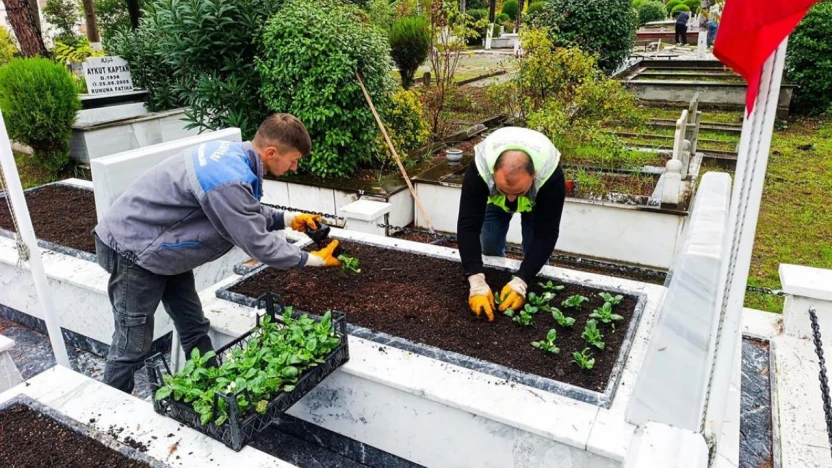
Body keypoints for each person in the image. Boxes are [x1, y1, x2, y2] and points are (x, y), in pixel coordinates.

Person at [93, 114, 342, 394]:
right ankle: (109, 409)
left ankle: (213, 389)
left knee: (193, 325)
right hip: (133, 250)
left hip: (161, 249)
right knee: (132, 345)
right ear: (271, 152)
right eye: (294, 160)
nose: (295, 167)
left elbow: (242, 210)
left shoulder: (232, 158)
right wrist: (314, 259)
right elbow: (257, 242)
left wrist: (288, 219)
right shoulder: (228, 179)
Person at [457, 127, 566, 321]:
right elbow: (468, 225)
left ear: (535, 175)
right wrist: (476, 280)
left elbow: (546, 233)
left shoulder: (549, 175)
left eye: (518, 192)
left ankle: (526, 283)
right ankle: (490, 282)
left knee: (534, 244)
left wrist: (522, 280)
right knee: (489, 245)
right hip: (494, 201)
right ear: (493, 173)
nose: (511, 199)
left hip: (535, 202)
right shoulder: (480, 169)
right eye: (504, 189)